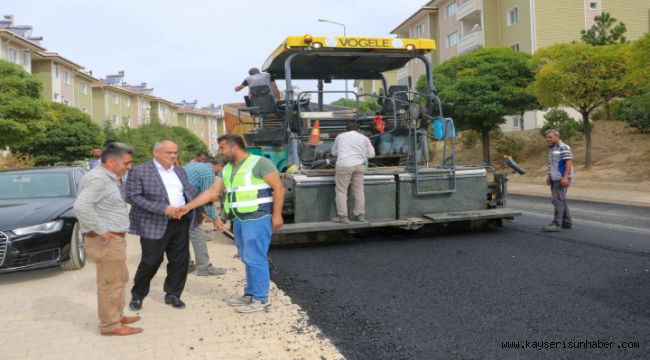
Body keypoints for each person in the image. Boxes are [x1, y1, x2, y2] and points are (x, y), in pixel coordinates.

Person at [178, 134, 284, 313]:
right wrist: (186, 207)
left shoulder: (260, 163)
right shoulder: (227, 169)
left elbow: (279, 188)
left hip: (257, 218)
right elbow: (212, 192)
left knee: (255, 258)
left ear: (234, 147)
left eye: (222, 148)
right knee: (246, 257)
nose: (220, 152)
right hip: (239, 220)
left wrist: (277, 215)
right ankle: (250, 294)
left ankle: (261, 298)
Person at [73, 142, 142, 336]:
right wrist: (102, 230)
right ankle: (110, 325)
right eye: (126, 163)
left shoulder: (109, 178)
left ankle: (117, 316)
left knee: (119, 279)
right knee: (110, 282)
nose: (129, 167)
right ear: (111, 161)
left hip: (114, 239)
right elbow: (81, 206)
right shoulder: (98, 179)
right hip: (105, 240)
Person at [126, 140, 199, 310]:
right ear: (156, 153)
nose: (173, 156)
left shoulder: (180, 171)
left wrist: (203, 199)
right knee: (150, 261)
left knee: (180, 261)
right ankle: (138, 295)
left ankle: (173, 294)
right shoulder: (140, 171)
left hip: (180, 221)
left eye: (175, 152)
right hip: (154, 224)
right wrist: (163, 209)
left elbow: (188, 191)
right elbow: (132, 197)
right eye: (169, 153)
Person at [183, 157, 227, 276]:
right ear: (220, 165)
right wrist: (215, 219)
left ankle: (185, 265)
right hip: (186, 206)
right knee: (198, 235)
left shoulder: (195, 165)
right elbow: (207, 200)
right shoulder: (208, 174)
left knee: (183, 235)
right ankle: (204, 268)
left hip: (180, 204)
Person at [330, 122, 375, 224]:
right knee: (359, 191)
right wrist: (361, 154)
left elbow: (333, 153)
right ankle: (360, 215)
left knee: (341, 191)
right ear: (358, 130)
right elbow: (371, 154)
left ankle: (343, 216)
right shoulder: (364, 138)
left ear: (346, 130)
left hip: (344, 165)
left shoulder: (340, 137)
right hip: (359, 166)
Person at [543, 129, 574, 232]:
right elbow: (551, 164)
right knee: (561, 201)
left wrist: (565, 177)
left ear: (557, 137)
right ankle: (567, 223)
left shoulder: (563, 147)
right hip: (554, 177)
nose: (548, 139)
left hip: (561, 178)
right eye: (547, 137)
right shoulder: (552, 148)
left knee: (557, 201)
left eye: (550, 137)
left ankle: (557, 224)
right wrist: (549, 176)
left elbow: (568, 162)